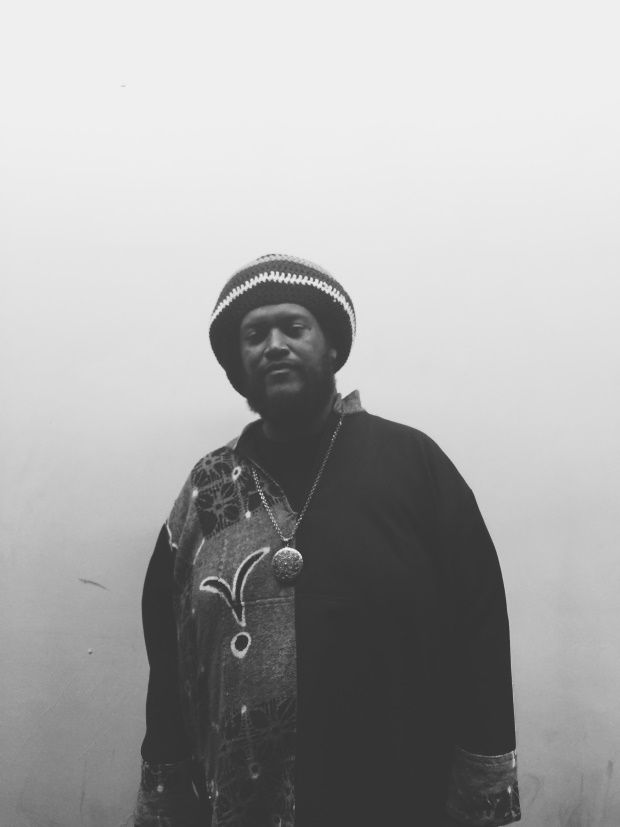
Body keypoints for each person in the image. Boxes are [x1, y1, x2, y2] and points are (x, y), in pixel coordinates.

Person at [134, 254, 521, 827]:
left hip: (397, 795)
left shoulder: (413, 465)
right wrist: (167, 794)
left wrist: (482, 787)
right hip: (246, 803)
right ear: (238, 365)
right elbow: (170, 655)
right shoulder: (207, 492)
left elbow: (479, 628)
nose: (275, 345)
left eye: (294, 327)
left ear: (333, 347)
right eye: (254, 335)